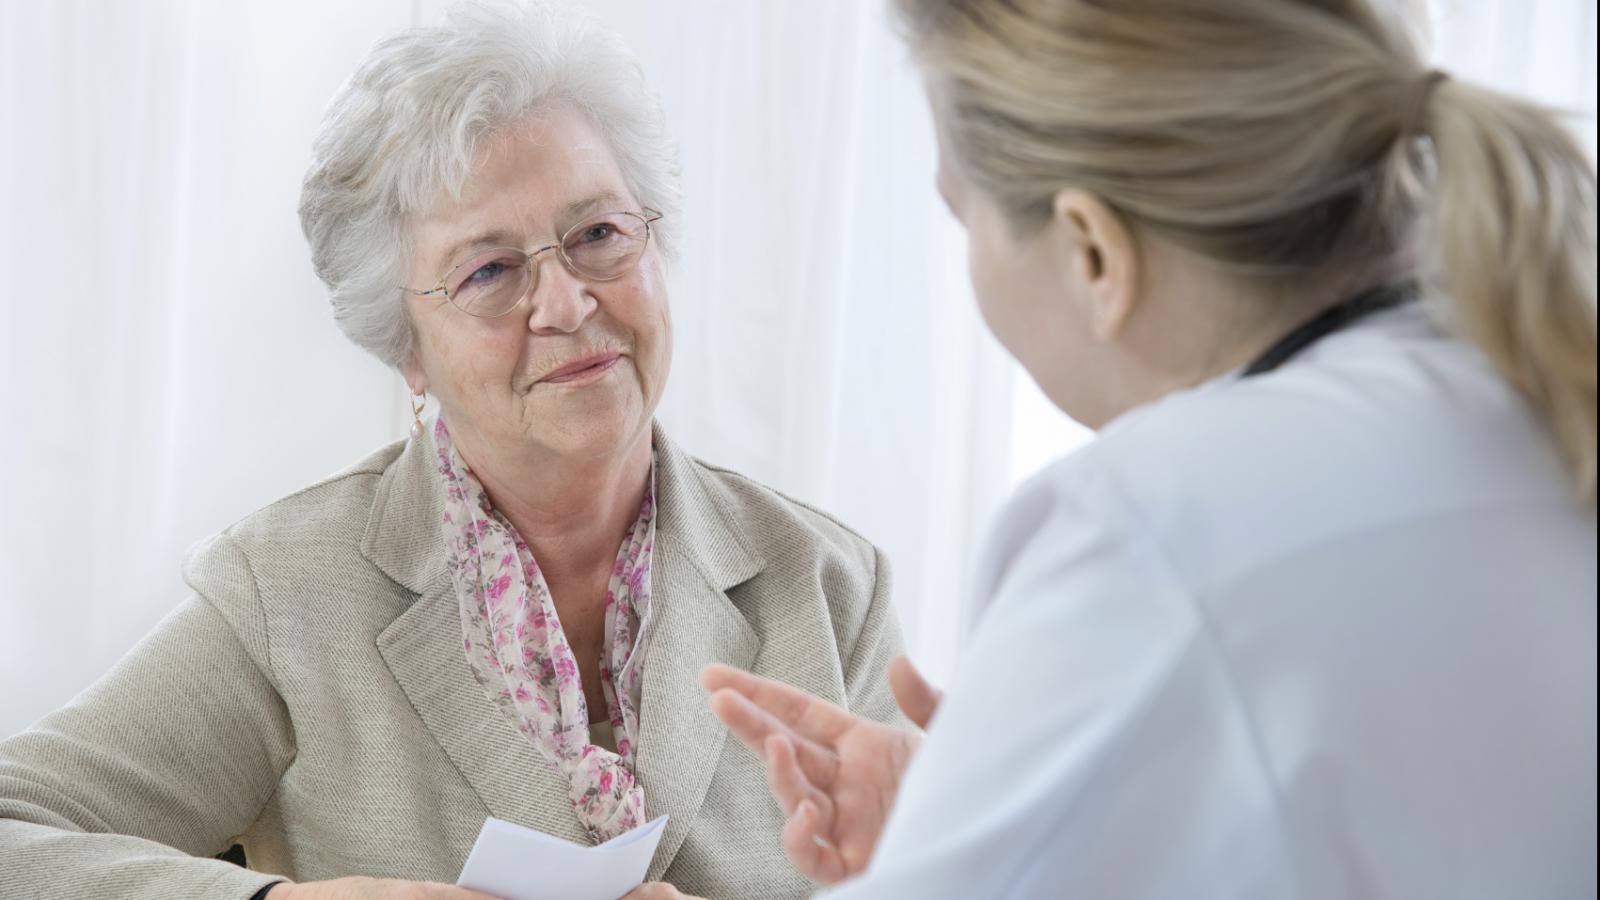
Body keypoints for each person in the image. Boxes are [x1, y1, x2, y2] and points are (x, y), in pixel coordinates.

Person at [0, 4, 907, 899]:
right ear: (407, 348)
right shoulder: (288, 593)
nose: (565, 303)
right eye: (489, 271)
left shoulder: (829, 588)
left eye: (597, 235)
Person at [696, 0, 1599, 897]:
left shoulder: (1149, 523)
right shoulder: (1535, 385)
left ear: (1092, 250)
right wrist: (984, 828)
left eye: (961, 213)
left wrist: (975, 848)